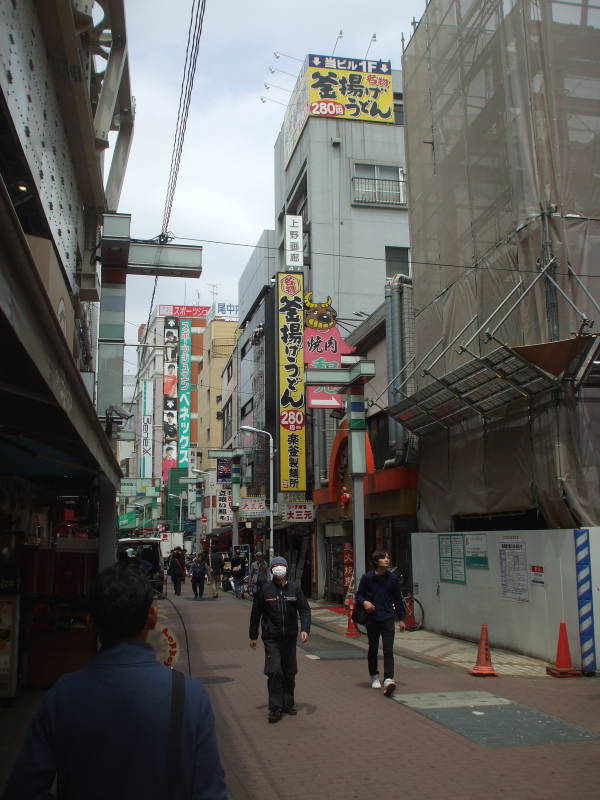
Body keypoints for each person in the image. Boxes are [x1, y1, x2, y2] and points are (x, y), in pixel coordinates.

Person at [1, 562, 227, 800]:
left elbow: (22, 791)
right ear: (152, 617)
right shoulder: (190, 695)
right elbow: (210, 791)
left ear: (91, 622)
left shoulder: (62, 696)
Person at [249, 556, 311, 724]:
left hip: (290, 637)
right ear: (271, 569)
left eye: (281, 566)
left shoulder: (295, 588)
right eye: (275, 566)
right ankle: (275, 708)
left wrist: (305, 629)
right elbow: (256, 613)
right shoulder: (265, 590)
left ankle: (288, 704)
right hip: (271, 637)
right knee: (275, 671)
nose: (278, 569)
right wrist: (253, 635)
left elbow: (305, 610)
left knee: (289, 672)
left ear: (286, 569)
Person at [355, 550, 406, 697]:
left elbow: (398, 599)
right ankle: (374, 675)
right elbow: (359, 595)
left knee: (388, 649)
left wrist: (402, 619)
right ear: (376, 561)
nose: (387, 560)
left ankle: (389, 678)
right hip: (372, 618)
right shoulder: (367, 578)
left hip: (388, 617)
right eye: (383, 558)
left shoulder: (393, 579)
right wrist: (365, 602)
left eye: (388, 557)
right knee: (373, 648)